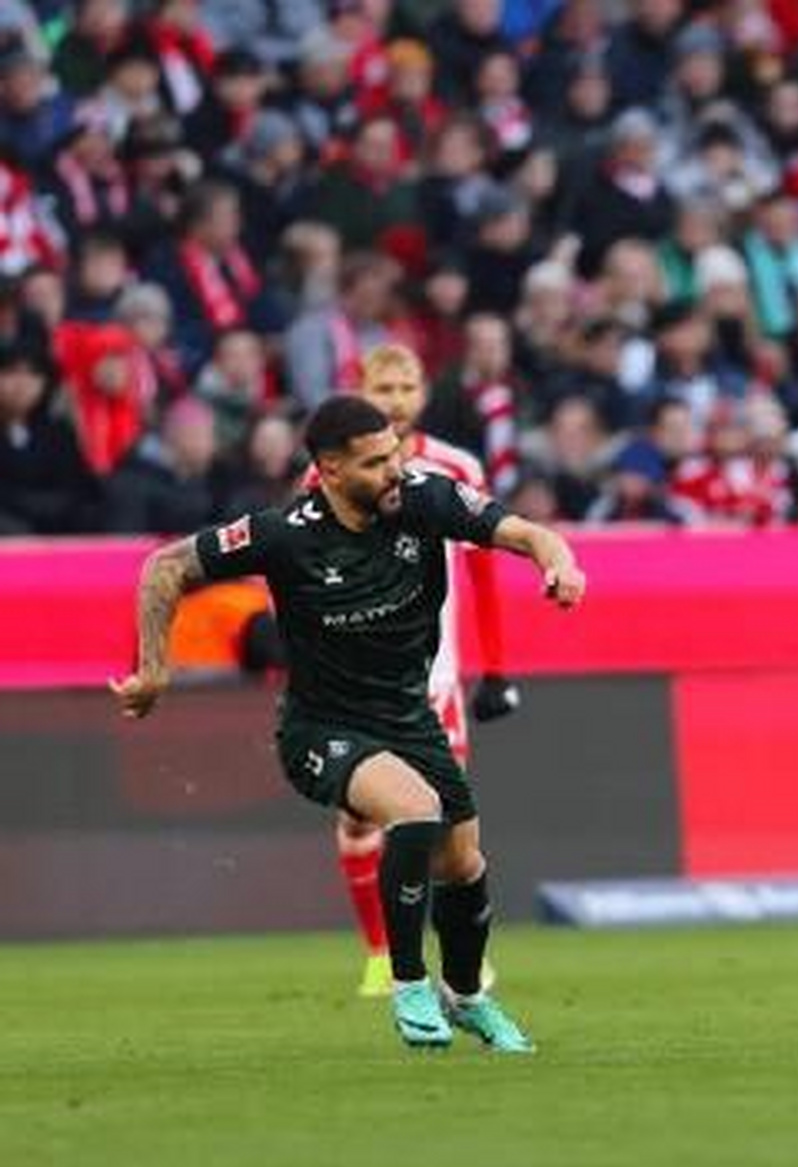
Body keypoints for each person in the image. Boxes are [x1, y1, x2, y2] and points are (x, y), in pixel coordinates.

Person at [111, 395, 586, 1052]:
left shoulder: (426, 498)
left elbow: (528, 533)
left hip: (409, 718)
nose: (395, 470)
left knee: (464, 862)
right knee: (415, 812)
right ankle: (409, 985)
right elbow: (165, 566)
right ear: (330, 471)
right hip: (321, 728)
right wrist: (152, 670)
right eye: (375, 462)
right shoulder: (285, 533)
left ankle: (467, 996)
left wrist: (559, 563)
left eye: (395, 453)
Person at [326, 344, 523, 997]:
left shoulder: (455, 467)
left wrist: (496, 668)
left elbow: (484, 568)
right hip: (356, 679)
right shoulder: (327, 474)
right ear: (361, 390)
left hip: (434, 679)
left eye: (407, 386)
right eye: (383, 386)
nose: (397, 399)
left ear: (424, 393)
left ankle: (459, 957)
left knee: (443, 825)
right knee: (360, 820)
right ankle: (381, 955)